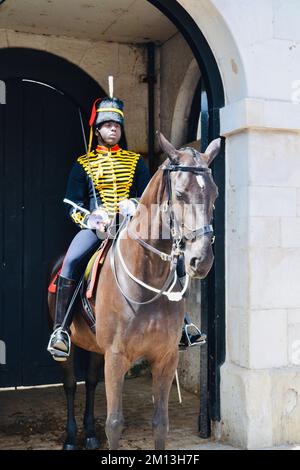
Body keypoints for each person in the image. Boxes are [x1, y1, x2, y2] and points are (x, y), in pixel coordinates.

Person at [47, 96, 204, 362]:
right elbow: (72, 202)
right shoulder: (83, 163)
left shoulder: (135, 162)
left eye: (117, 125)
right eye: (107, 125)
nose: (113, 129)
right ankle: (61, 330)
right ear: (97, 130)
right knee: (72, 260)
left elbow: (147, 195)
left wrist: (132, 204)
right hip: (98, 228)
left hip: (132, 225)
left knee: (168, 258)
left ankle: (183, 325)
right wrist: (91, 218)